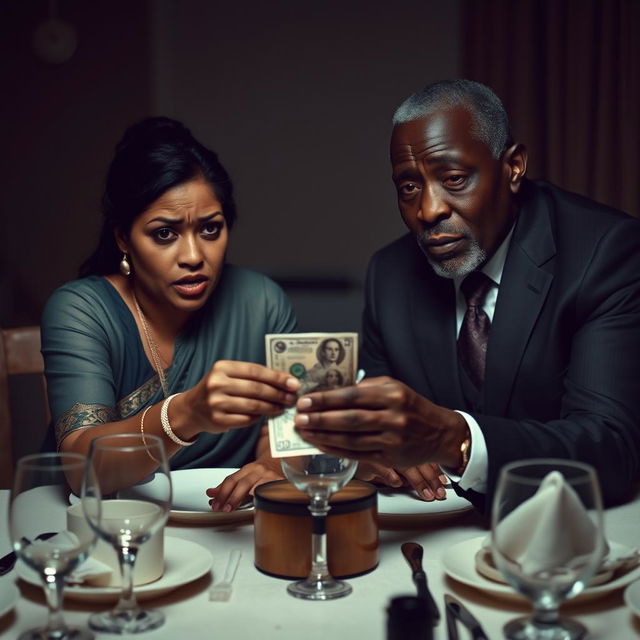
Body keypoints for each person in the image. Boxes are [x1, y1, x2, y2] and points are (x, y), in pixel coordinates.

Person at [293, 79, 640, 512]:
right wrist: (368, 453)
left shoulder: (605, 253)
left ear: (513, 167)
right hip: (429, 534)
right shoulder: (390, 274)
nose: (428, 210)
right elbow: (378, 427)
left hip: (566, 533)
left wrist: (452, 438)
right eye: (408, 187)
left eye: (453, 178)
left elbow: (612, 451)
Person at [42, 117, 300, 509]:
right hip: (96, 524)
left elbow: (288, 427)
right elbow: (82, 469)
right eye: (165, 233)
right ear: (123, 238)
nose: (194, 256)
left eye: (210, 229)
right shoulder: (81, 310)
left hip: (221, 520)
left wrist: (270, 465)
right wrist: (187, 413)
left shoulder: (262, 302)